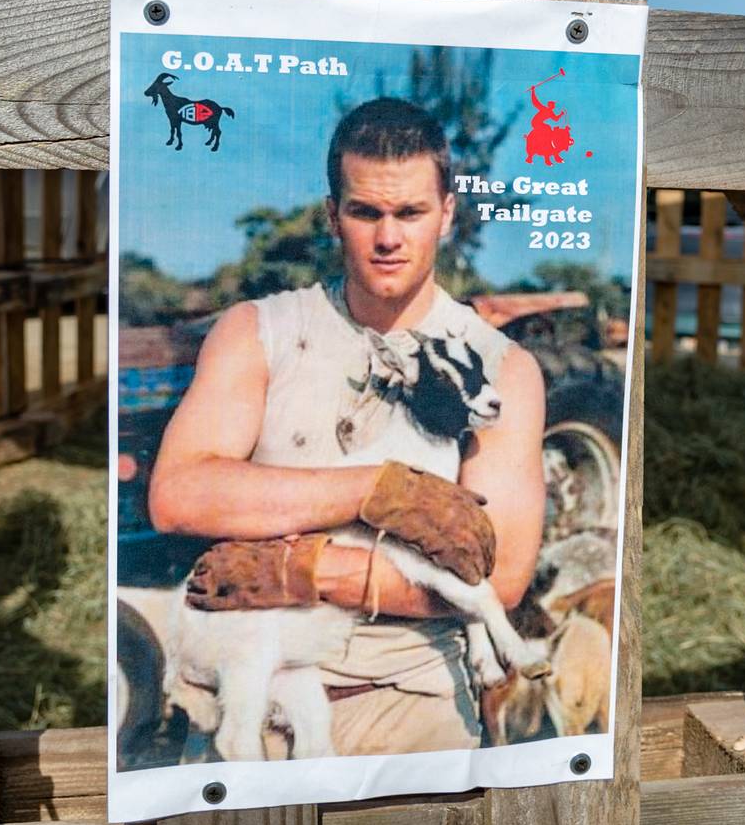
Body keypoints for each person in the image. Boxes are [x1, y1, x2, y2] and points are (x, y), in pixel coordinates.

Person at [148, 97, 546, 756]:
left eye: (411, 212)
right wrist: (374, 488)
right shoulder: (257, 331)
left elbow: (498, 580)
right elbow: (178, 495)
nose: (388, 237)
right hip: (251, 683)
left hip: (412, 696)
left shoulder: (503, 369)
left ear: (447, 214)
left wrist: (309, 566)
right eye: (366, 211)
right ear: (334, 216)